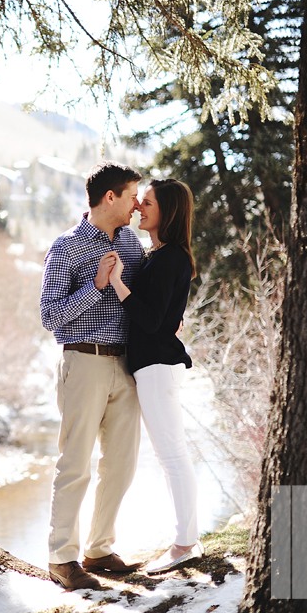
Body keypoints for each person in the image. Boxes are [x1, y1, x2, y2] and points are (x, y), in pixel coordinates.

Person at [40, 161, 146, 590]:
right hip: (83, 363)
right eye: (132, 196)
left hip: (127, 365)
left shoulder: (133, 244)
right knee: (75, 464)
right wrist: (96, 285)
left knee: (121, 464)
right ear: (110, 197)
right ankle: (61, 558)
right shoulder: (66, 246)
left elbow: (143, 299)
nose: (137, 204)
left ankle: (99, 549)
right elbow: (51, 316)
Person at [108, 178, 201, 574]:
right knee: (171, 456)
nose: (139, 208)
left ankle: (185, 543)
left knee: (173, 456)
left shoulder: (170, 258)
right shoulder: (158, 256)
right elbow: (164, 316)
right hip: (153, 367)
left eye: (147, 202)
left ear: (168, 211)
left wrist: (117, 283)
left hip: (158, 368)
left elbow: (149, 320)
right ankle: (186, 538)